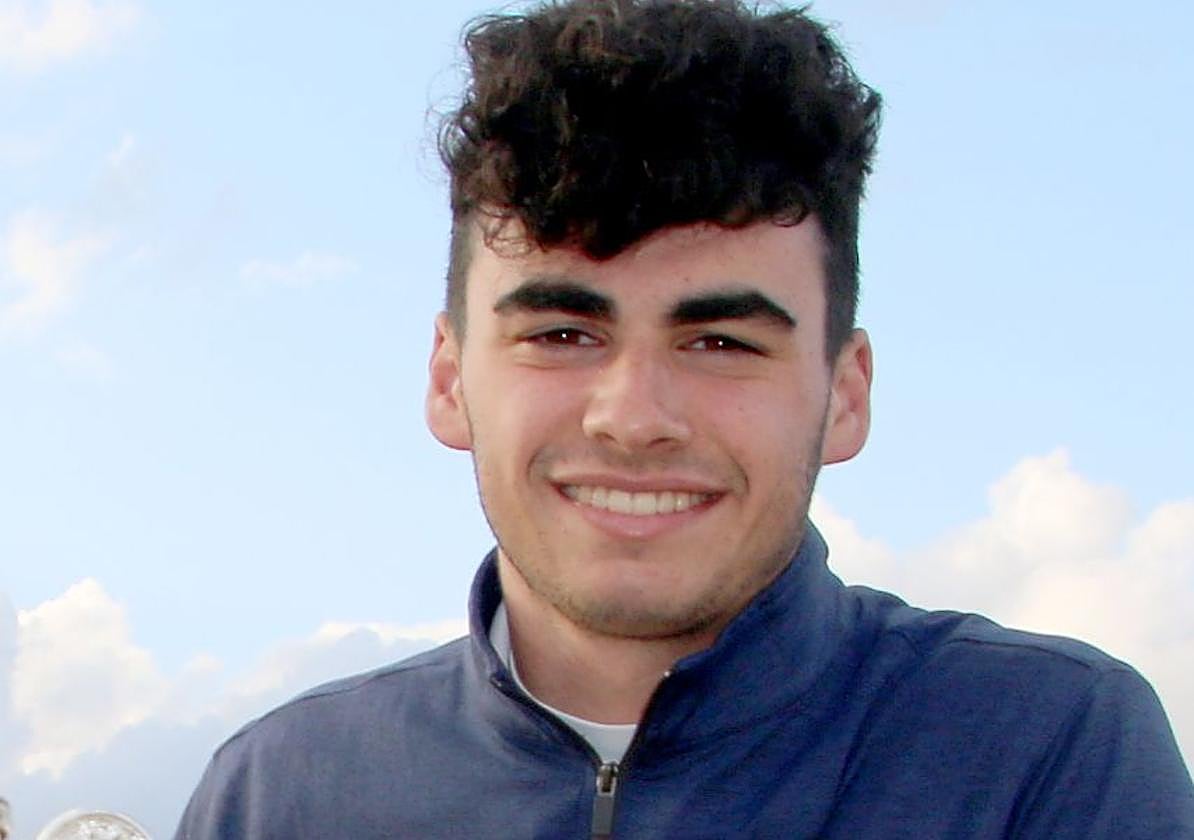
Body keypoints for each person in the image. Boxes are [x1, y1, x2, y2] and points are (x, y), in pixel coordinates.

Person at [175, 1, 1194, 837]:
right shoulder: (279, 795)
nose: (633, 417)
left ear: (845, 394)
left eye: (720, 343)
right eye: (562, 334)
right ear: (450, 380)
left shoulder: (1046, 752)